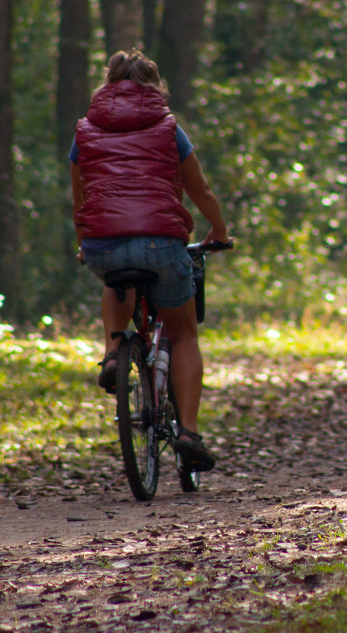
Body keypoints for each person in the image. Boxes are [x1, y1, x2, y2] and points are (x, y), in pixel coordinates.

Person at [70, 50, 230, 472]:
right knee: (184, 337)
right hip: (162, 243)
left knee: (114, 280)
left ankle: (112, 354)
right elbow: (201, 192)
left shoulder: (84, 131)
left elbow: (81, 197)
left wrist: (85, 241)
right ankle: (189, 434)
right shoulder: (168, 130)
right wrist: (219, 231)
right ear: (155, 88)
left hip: (104, 245)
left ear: (107, 83)